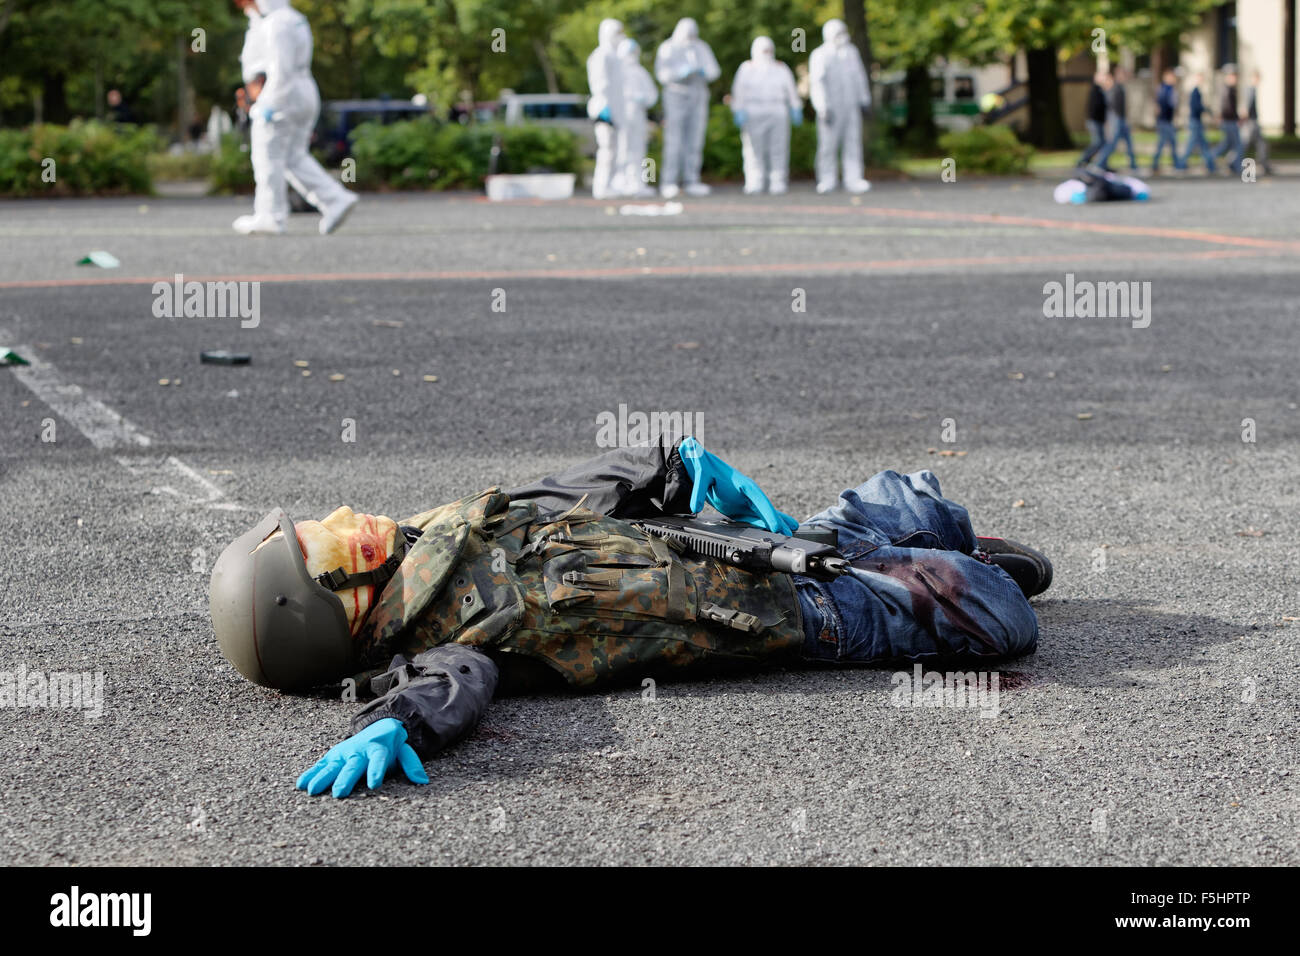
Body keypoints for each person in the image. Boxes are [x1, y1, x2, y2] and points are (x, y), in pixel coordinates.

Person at [210, 436, 1050, 798]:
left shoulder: (442, 532)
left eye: (326, 519)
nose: (348, 517)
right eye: (329, 544)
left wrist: (673, 463)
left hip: (756, 547)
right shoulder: (436, 638)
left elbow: (564, 492)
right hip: (806, 614)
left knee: (913, 494)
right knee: (1009, 617)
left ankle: (900, 542)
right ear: (335, 608)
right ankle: (921, 561)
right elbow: (454, 684)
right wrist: (397, 724)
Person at [233, 0, 359, 236]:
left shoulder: (276, 24)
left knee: (267, 155)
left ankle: (270, 216)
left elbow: (282, 70)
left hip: (282, 96)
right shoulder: (293, 18)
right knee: (293, 156)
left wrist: (267, 105)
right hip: (302, 92)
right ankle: (335, 200)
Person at [653, 17, 721, 198]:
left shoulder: (701, 47)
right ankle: (669, 181)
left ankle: (692, 180)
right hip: (676, 96)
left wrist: (703, 71)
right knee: (674, 141)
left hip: (698, 96)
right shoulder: (668, 48)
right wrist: (681, 73)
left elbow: (715, 71)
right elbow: (662, 74)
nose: (690, 38)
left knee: (695, 141)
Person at [730, 36, 802, 195]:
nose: (767, 54)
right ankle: (754, 180)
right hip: (753, 111)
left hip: (777, 111)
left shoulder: (781, 68)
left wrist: (795, 107)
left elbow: (791, 90)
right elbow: (738, 91)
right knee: (753, 148)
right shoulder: (746, 68)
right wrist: (738, 109)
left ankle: (778, 180)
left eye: (769, 50)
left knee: (779, 148)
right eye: (763, 50)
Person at [809, 19, 871, 194]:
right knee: (828, 145)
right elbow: (817, 83)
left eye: (844, 32)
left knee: (853, 143)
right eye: (838, 33)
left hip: (851, 106)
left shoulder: (852, 53)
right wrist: (822, 107)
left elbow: (860, 78)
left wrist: (864, 100)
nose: (843, 36)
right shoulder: (820, 54)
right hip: (831, 108)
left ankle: (854, 178)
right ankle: (827, 179)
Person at [586, 18, 626, 200]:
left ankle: (610, 184)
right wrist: (604, 107)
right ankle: (601, 187)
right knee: (606, 149)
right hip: (604, 109)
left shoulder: (615, 57)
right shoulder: (601, 55)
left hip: (615, 110)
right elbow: (600, 84)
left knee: (614, 150)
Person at [615, 37, 658, 198]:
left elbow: (652, 94)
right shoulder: (617, 71)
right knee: (622, 147)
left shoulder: (640, 72)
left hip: (638, 115)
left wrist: (642, 99)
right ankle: (620, 181)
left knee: (639, 148)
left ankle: (639, 183)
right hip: (622, 115)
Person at [1096, 67, 1136, 171]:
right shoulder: (1114, 87)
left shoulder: (1120, 87)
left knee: (1129, 142)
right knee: (1112, 144)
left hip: (1121, 119)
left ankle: (1133, 164)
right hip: (1117, 119)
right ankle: (1099, 163)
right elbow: (1112, 104)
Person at [1179, 71, 1216, 174]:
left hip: (1197, 121)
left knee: (1203, 145)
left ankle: (1210, 165)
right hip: (1195, 121)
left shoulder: (1197, 91)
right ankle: (1182, 163)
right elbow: (1196, 107)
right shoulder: (1195, 92)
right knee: (1192, 144)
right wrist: (1207, 110)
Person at [1240, 69, 1273, 176]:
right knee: (1245, 144)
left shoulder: (1252, 89)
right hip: (1251, 122)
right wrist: (1243, 120)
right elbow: (1246, 107)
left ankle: (1265, 165)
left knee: (1260, 144)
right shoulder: (1250, 90)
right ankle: (1234, 162)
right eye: (1257, 78)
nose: (1258, 81)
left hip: (1253, 121)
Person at [1212, 65, 1243, 175]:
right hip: (1229, 122)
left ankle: (1230, 164)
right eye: (1233, 76)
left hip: (1229, 121)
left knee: (1227, 145)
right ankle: (1236, 166)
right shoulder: (1227, 90)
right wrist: (1237, 118)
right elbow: (1227, 109)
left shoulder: (1230, 90)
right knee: (1237, 145)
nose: (1235, 79)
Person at [1150, 69, 1182, 174]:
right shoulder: (1164, 89)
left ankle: (1175, 163)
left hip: (1168, 120)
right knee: (1164, 143)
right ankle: (1157, 163)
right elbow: (1162, 105)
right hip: (1164, 120)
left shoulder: (1170, 89)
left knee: (1171, 142)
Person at [1078, 72, 1110, 167]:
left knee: (1102, 143)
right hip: (1095, 121)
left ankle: (1102, 164)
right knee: (1098, 143)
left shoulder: (1099, 90)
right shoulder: (1096, 90)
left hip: (1097, 121)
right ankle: (1084, 160)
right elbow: (1097, 107)